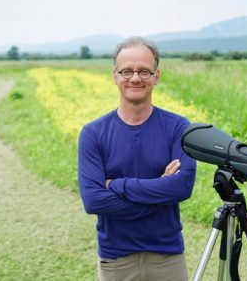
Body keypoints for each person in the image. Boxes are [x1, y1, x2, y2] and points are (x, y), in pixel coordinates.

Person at [78, 36, 197, 281]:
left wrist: (117, 185)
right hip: (116, 260)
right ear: (115, 76)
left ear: (156, 76)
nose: (135, 78)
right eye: (127, 71)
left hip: (168, 258)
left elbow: (182, 187)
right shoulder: (93, 133)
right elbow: (94, 201)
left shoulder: (179, 128)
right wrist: (159, 192)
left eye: (144, 71)